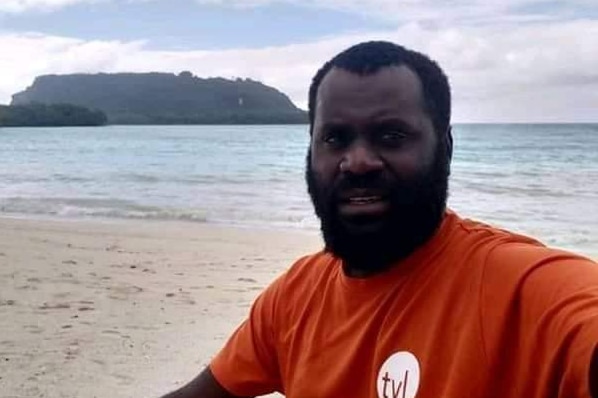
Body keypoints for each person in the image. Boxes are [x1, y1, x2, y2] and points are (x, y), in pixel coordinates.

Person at [160, 41, 598, 398]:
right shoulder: (295, 298)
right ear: (311, 154)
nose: (359, 162)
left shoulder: (517, 287)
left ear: (445, 149)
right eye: (335, 138)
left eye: (391, 135)